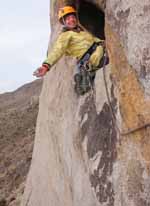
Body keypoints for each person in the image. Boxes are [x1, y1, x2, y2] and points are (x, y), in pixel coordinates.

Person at [33, 6, 109, 95]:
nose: (71, 20)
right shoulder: (65, 36)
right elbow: (58, 50)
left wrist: (104, 42)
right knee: (104, 59)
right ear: (64, 22)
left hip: (96, 50)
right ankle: (87, 69)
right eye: (68, 19)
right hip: (89, 56)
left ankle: (85, 72)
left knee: (100, 50)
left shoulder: (82, 32)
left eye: (73, 17)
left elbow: (95, 40)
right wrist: (46, 65)